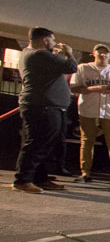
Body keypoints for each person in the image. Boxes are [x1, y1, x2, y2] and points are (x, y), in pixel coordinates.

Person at [12, 27, 77, 193]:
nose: (55, 44)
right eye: (53, 40)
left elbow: (57, 67)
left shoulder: (31, 54)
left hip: (46, 105)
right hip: (42, 106)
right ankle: (22, 180)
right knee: (37, 144)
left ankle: (39, 178)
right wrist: (69, 53)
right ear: (45, 40)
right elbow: (71, 67)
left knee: (45, 144)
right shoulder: (39, 54)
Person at [69, 43, 110, 185]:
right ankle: (85, 172)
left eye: (105, 53)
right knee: (86, 141)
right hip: (88, 109)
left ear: (109, 56)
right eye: (99, 52)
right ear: (93, 54)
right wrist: (96, 88)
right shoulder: (83, 68)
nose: (102, 55)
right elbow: (74, 87)